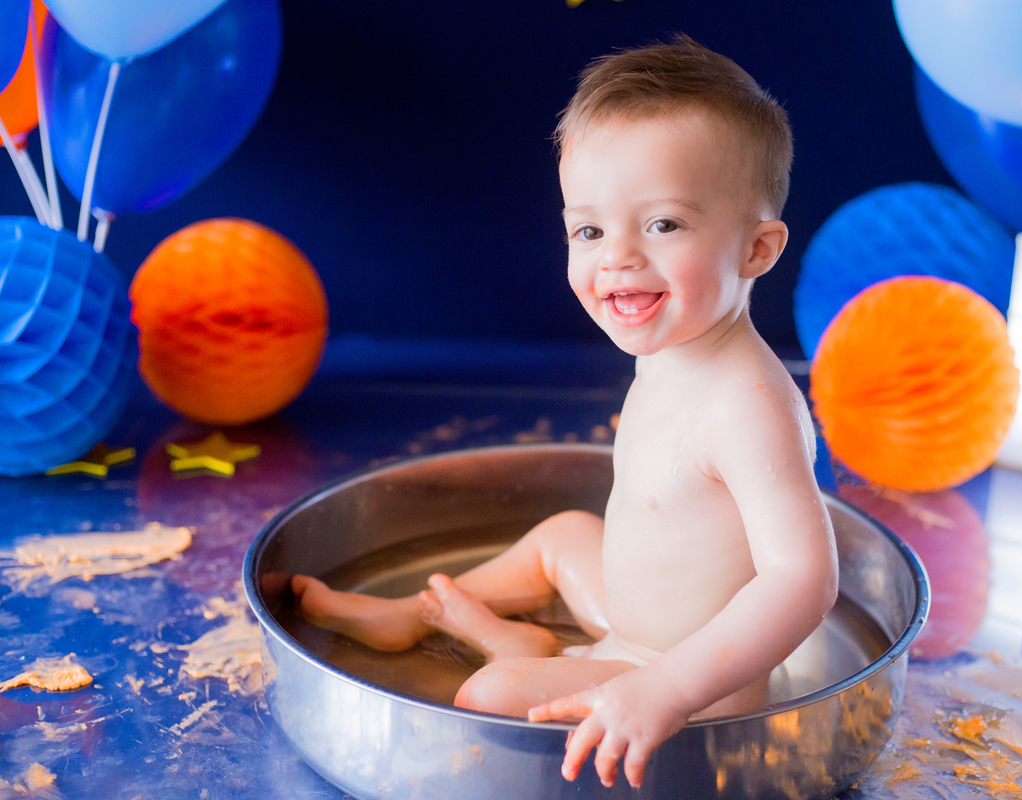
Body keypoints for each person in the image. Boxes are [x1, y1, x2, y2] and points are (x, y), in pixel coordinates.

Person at [291, 35, 837, 790]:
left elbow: (803, 579)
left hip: (685, 682)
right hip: (627, 624)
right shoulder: (676, 346)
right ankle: (425, 612)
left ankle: (507, 648)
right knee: (565, 536)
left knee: (486, 699)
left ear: (757, 249)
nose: (615, 257)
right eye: (589, 230)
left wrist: (666, 689)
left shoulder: (748, 401)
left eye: (663, 225)